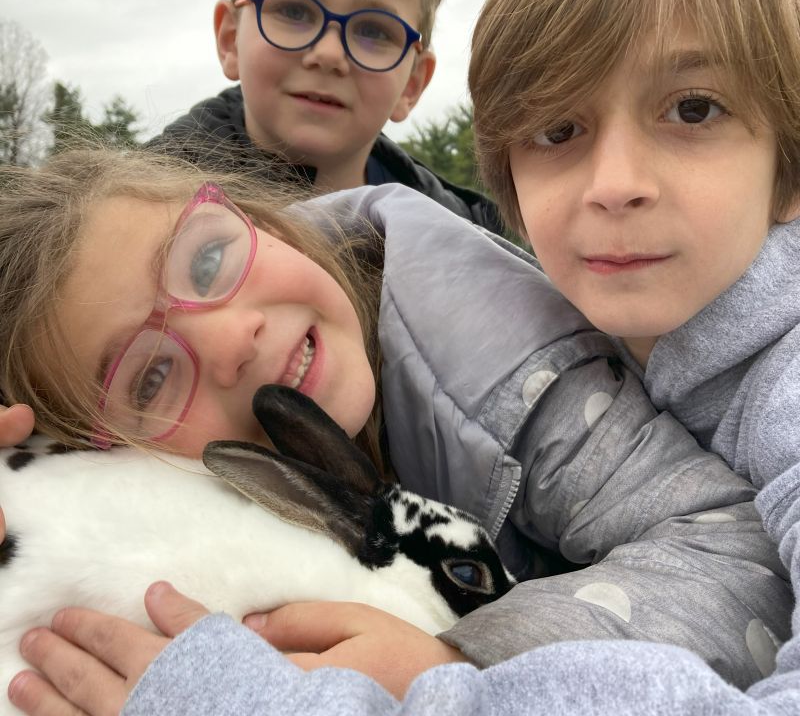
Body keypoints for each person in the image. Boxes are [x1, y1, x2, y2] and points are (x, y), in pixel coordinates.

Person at [0, 143, 790, 715]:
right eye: (149, 377)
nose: (228, 338)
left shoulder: (495, 358)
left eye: (207, 262)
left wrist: (452, 664)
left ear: (262, 221)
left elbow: (735, 553)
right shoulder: (173, 521)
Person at [148, 0, 502, 232]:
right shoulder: (136, 217)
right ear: (230, 40)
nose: (330, 54)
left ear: (412, 83)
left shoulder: (460, 242)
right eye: (293, 10)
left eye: (375, 31)